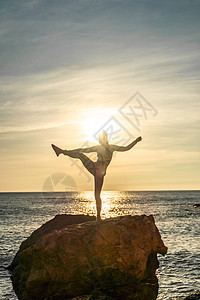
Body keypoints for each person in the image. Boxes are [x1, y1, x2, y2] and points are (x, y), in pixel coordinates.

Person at [51, 131, 142, 221]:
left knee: (97, 194)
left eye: (100, 139)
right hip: (96, 169)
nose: (100, 141)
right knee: (80, 155)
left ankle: (98, 217)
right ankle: (61, 151)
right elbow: (82, 150)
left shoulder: (109, 148)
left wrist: (136, 141)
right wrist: (66, 151)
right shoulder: (103, 148)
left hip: (97, 171)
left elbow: (126, 148)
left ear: (104, 139)